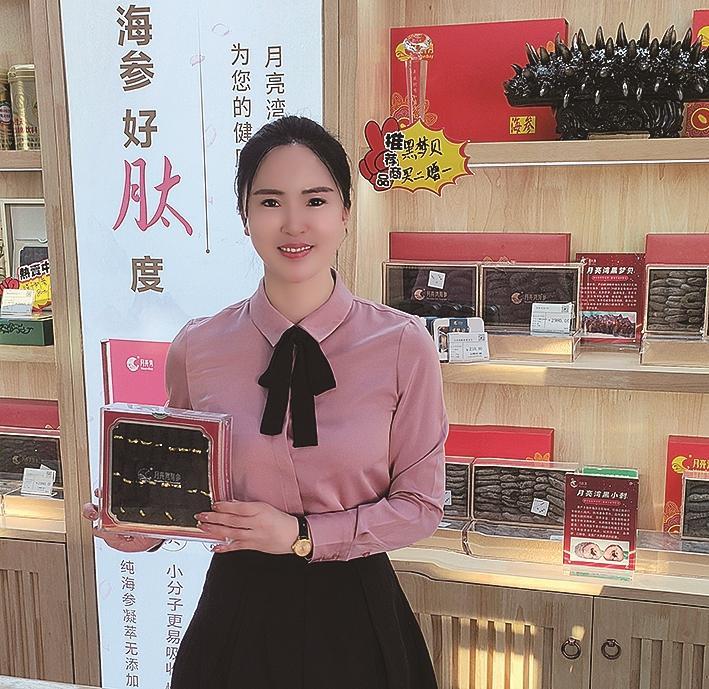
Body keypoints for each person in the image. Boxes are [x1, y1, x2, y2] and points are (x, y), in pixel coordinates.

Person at [83, 115, 448, 689]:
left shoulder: (403, 345)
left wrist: (303, 535)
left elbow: (420, 506)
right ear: (245, 216)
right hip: (236, 613)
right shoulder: (198, 347)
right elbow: (185, 488)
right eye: (271, 201)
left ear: (345, 213)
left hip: (356, 614)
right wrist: (141, 527)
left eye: (316, 200)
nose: (294, 223)